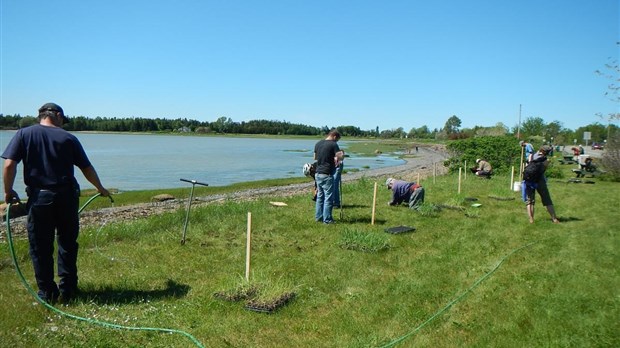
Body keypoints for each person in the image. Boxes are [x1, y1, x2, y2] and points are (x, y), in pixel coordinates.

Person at [2, 102, 111, 303]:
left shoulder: (24, 134)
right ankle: (68, 290)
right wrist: (100, 188)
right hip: (67, 197)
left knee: (40, 246)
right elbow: (86, 168)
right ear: (58, 115)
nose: (63, 124)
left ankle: (47, 294)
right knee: (67, 243)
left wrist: (8, 192)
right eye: (63, 120)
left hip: (40, 198)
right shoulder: (69, 138)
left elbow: (9, 165)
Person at [522, 145, 560, 224]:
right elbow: (542, 170)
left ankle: (531, 220)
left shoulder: (531, 156)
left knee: (530, 201)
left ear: (540, 149)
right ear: (547, 152)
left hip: (529, 180)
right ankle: (554, 219)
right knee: (547, 199)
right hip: (540, 180)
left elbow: (526, 167)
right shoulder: (546, 160)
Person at [313, 129, 343, 224]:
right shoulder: (333, 144)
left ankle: (318, 217)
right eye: (337, 139)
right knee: (328, 198)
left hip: (318, 173)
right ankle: (327, 220)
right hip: (327, 174)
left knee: (320, 197)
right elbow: (339, 157)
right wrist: (342, 154)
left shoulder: (318, 143)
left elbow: (315, 158)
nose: (336, 141)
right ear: (334, 136)